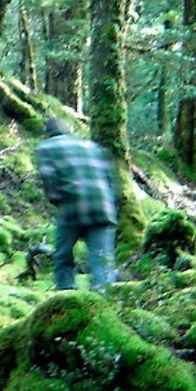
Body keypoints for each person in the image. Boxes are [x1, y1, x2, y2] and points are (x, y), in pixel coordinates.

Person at [35, 117, 119, 290]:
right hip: (104, 207)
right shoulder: (92, 146)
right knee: (102, 259)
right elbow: (111, 180)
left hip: (73, 206)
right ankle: (106, 303)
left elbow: (50, 181)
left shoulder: (46, 147)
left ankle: (67, 296)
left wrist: (57, 201)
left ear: (48, 133)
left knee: (63, 256)